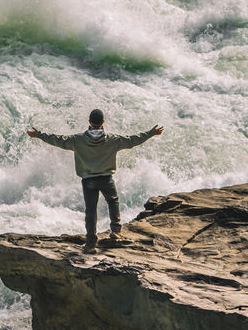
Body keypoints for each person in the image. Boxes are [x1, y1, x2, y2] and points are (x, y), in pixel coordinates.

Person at [27, 109, 164, 254]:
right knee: (113, 201)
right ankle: (116, 231)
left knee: (91, 210)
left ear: (89, 122)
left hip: (88, 181)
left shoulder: (77, 140)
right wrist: (151, 133)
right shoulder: (113, 140)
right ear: (103, 122)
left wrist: (39, 135)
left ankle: (91, 243)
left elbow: (58, 139)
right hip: (106, 178)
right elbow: (133, 140)